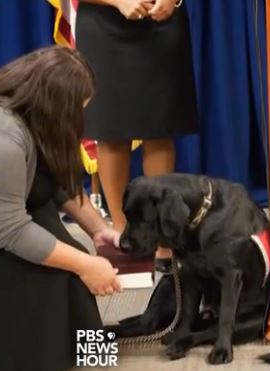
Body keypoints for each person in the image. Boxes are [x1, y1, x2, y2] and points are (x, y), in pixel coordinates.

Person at [0, 46, 122, 371]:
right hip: (1, 233)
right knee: (63, 269)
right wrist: (86, 266)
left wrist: (99, 230)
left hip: (6, 220)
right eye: (78, 110)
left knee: (74, 250)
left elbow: (50, 181)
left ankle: (82, 354)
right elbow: (10, 230)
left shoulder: (28, 114)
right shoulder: (2, 139)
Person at [76, 0, 198, 278]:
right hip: (103, 24)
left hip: (162, 23)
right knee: (111, 130)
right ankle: (123, 232)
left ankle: (162, 238)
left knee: (159, 128)